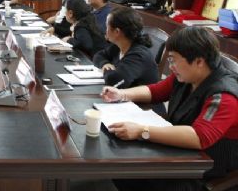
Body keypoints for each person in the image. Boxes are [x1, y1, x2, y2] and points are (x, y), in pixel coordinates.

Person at [101, 27, 238, 191]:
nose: (171, 66)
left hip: (206, 166)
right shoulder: (188, 76)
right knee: (124, 165)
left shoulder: (224, 95)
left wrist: (141, 131)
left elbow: (199, 137)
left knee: (134, 171)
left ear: (199, 62)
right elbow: (156, 91)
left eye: (173, 60)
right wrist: (122, 94)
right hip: (181, 153)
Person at [93, 7, 158, 89]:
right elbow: (98, 55)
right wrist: (105, 64)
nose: (105, 30)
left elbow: (114, 81)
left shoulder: (138, 56)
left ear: (117, 32)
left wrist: (106, 70)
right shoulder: (118, 45)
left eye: (107, 26)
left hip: (136, 97)